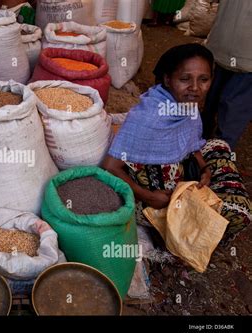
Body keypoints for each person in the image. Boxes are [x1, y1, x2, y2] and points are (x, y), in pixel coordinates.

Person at [102, 43, 251, 245]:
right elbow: (110, 167)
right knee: (235, 214)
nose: (196, 88)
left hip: (180, 179)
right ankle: (181, 232)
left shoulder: (188, 106)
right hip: (154, 197)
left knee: (219, 147)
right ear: (167, 79)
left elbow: (191, 142)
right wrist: (149, 196)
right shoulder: (148, 116)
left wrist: (204, 168)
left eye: (204, 80)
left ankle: (191, 229)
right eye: (184, 79)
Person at [201, 0, 252, 149]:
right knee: (235, 106)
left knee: (213, 97)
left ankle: (200, 141)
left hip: (222, 44)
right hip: (246, 54)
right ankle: (219, 152)